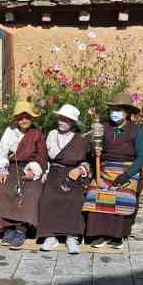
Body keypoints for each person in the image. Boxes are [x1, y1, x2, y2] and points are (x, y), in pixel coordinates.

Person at [83, 92, 143, 249]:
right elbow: (94, 149)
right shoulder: (103, 127)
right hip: (105, 168)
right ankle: (98, 234)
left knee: (122, 195)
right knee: (95, 192)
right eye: (113, 109)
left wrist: (126, 175)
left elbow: (141, 157)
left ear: (127, 112)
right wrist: (94, 151)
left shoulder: (135, 131)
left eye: (119, 109)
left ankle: (117, 236)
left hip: (128, 169)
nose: (114, 113)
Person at [0, 101, 48, 250]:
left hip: (31, 169)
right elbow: (1, 153)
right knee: (2, 188)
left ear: (32, 118)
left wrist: (33, 171)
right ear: (16, 119)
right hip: (11, 167)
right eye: (20, 117)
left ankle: (22, 229)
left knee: (32, 192)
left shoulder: (37, 134)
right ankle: (8, 227)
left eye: (26, 117)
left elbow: (42, 158)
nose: (23, 120)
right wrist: (1, 169)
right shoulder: (9, 131)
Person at [37, 104, 91, 254]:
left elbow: (89, 162)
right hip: (54, 172)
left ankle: (72, 237)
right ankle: (50, 236)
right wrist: (45, 171)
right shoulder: (51, 134)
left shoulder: (81, 140)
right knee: (48, 197)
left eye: (66, 120)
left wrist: (80, 169)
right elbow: (45, 157)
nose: (62, 122)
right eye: (60, 118)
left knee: (74, 198)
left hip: (73, 174)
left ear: (73, 122)